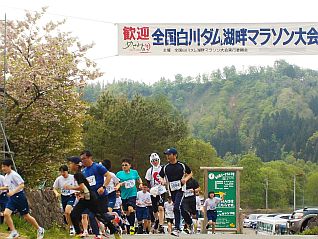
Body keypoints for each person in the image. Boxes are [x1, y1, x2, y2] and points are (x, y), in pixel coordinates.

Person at [66, 156, 122, 239]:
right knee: (79, 214)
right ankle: (79, 233)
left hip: (89, 198)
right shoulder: (81, 173)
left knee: (97, 216)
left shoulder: (78, 174)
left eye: (71, 163)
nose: (69, 166)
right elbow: (85, 186)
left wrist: (71, 188)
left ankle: (79, 233)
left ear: (76, 165)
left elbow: (83, 187)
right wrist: (82, 193)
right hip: (88, 197)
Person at [0, 159, 45, 239]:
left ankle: (39, 229)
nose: (3, 168)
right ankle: (14, 232)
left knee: (26, 216)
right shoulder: (6, 176)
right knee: (6, 214)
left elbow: (22, 185)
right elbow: (7, 187)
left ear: (9, 166)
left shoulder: (14, 175)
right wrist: (2, 189)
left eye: (4, 166)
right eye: (2, 166)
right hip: (12, 198)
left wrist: (13, 192)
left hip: (19, 197)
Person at [159, 147, 193, 237]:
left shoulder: (181, 165)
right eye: (166, 154)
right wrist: (162, 181)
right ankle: (189, 221)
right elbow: (160, 176)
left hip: (181, 189)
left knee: (176, 207)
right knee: (180, 208)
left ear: (175, 155)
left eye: (169, 154)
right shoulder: (166, 167)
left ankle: (177, 229)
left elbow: (190, 173)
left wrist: (185, 179)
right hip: (172, 190)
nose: (167, 156)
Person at [80, 150, 112, 238]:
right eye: (81, 159)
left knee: (100, 216)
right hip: (92, 197)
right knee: (91, 215)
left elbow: (109, 176)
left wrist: (103, 187)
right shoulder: (84, 172)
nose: (83, 161)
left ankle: (114, 221)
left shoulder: (98, 167)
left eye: (84, 159)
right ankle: (97, 235)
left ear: (90, 157)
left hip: (101, 196)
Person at [115, 158, 143, 235]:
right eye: (123, 165)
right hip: (124, 195)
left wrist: (140, 183)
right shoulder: (119, 174)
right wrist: (118, 186)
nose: (124, 166)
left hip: (132, 194)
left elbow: (138, 178)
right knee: (127, 212)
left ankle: (132, 226)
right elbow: (117, 182)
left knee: (130, 209)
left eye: (126, 165)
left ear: (130, 165)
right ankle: (131, 224)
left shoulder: (134, 172)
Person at [145, 153, 166, 233]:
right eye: (153, 161)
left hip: (161, 190)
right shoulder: (149, 171)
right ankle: (157, 220)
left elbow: (166, 178)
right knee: (154, 210)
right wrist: (150, 189)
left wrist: (164, 183)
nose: (155, 162)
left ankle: (161, 225)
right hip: (153, 191)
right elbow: (148, 180)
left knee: (161, 207)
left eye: (156, 160)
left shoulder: (163, 169)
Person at [53, 165, 76, 235]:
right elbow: (54, 188)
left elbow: (78, 186)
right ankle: (71, 227)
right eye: (61, 172)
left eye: (64, 172)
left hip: (72, 196)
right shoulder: (59, 179)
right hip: (63, 197)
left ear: (67, 171)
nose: (62, 173)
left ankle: (72, 227)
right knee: (66, 214)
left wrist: (76, 191)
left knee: (68, 211)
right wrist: (56, 193)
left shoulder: (72, 177)